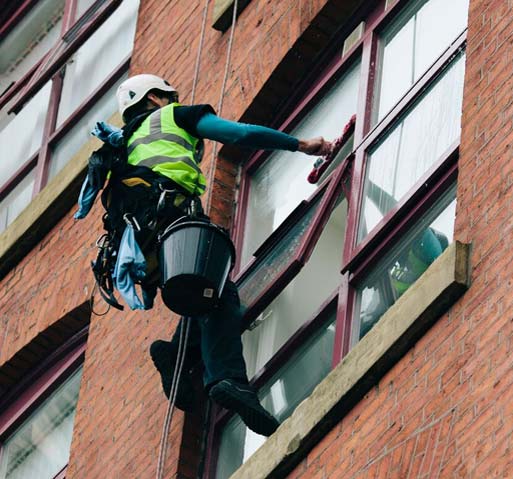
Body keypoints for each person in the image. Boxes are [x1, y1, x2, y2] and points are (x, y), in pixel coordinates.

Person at [78, 73, 334, 436]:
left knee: (201, 292)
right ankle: (227, 379)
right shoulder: (175, 115)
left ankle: (176, 356)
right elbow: (240, 134)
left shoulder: (126, 142)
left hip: (141, 243)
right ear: (154, 98)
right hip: (170, 216)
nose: (172, 101)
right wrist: (301, 145)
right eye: (169, 96)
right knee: (219, 294)